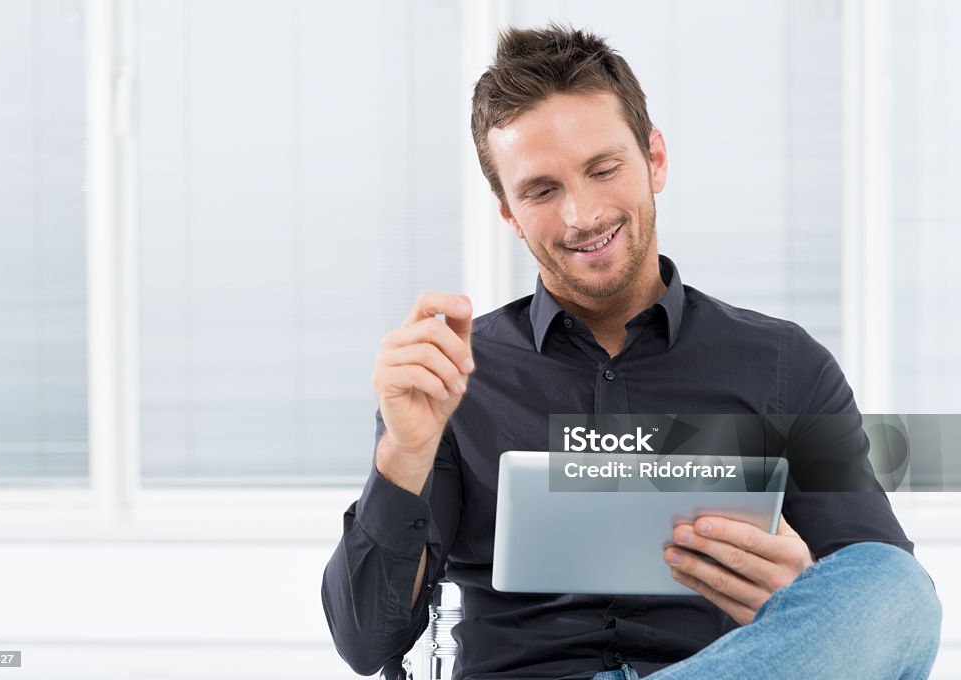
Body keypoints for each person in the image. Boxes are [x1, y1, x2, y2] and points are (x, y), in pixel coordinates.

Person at [321, 25, 941, 680]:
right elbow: (367, 644)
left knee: (895, 584)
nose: (582, 215)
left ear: (656, 161)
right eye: (541, 190)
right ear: (507, 211)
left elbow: (887, 612)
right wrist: (404, 454)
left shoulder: (783, 367)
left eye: (603, 169)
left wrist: (807, 587)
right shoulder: (454, 379)